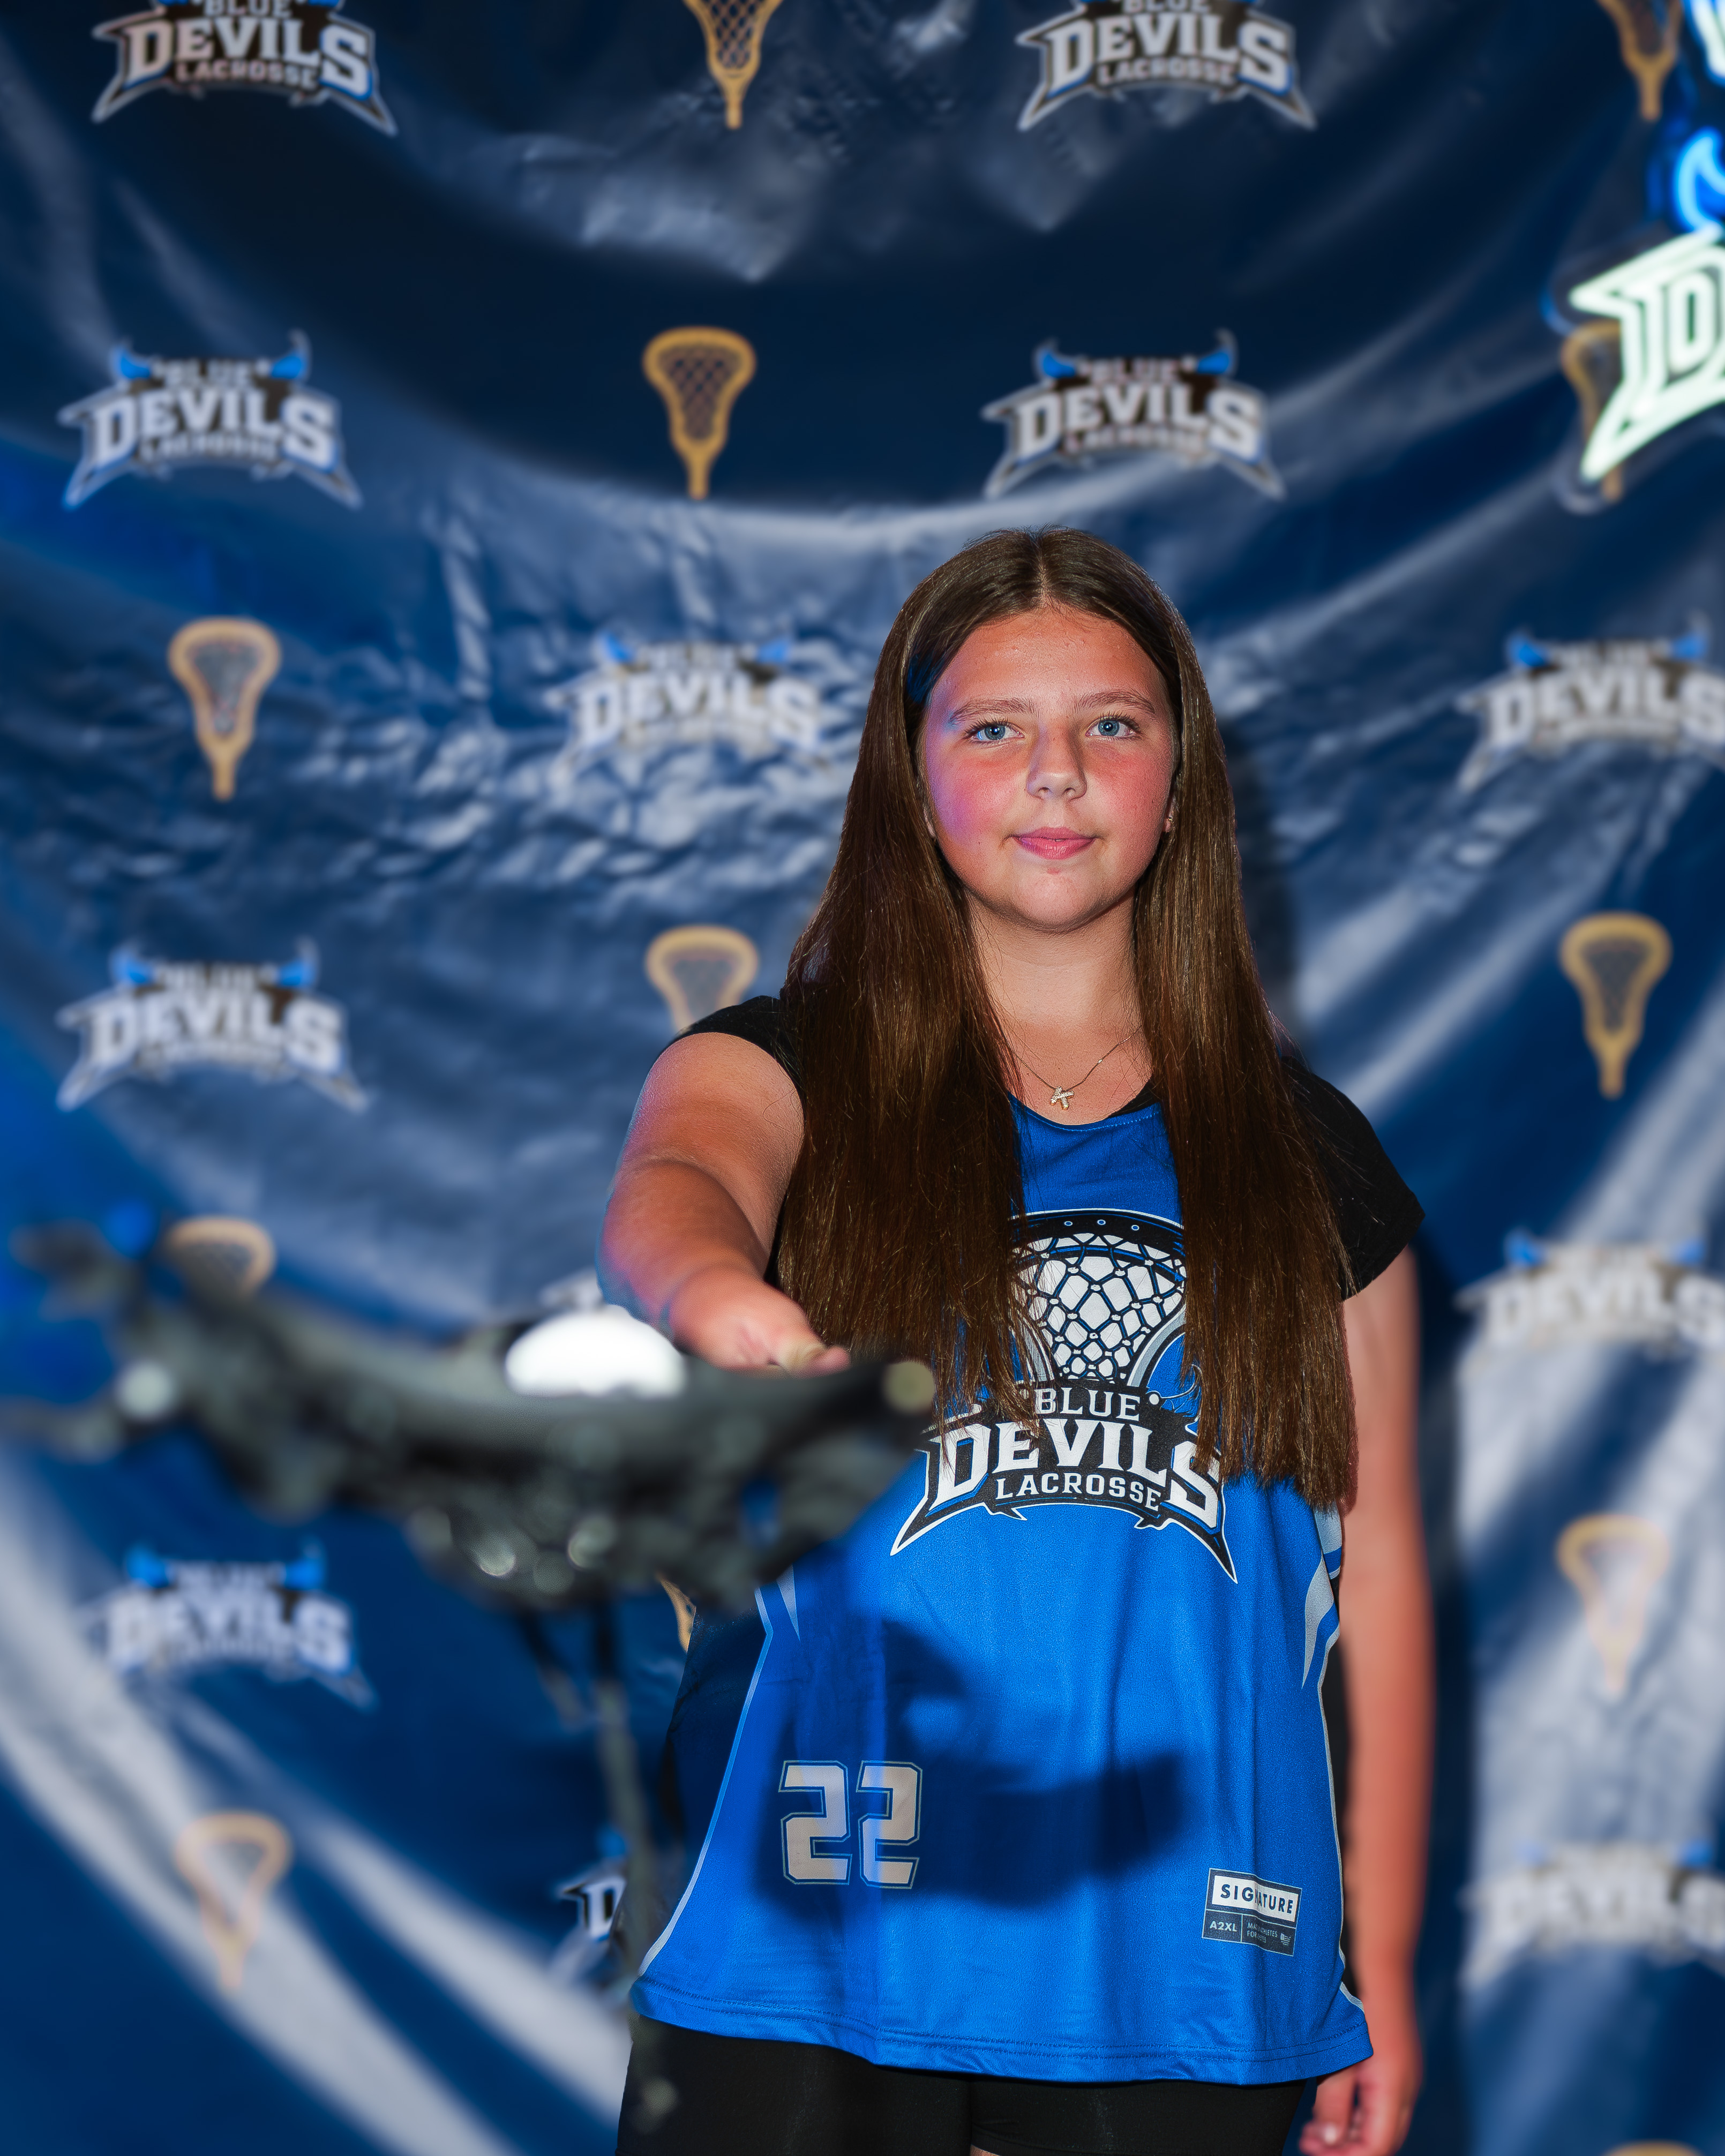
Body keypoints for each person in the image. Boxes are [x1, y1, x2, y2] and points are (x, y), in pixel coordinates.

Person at [599, 529, 1432, 2156]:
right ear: (911, 784)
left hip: (1188, 1954)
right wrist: (711, 1292)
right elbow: (677, 1180)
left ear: (1181, 784)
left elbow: (1378, 1568)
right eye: (994, 728)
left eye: (1112, 724)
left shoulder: (1306, 1154)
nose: (1057, 772)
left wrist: (1379, 1966)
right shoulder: (784, 1065)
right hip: (812, 1935)